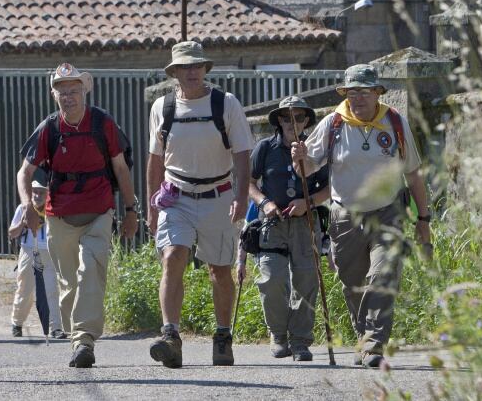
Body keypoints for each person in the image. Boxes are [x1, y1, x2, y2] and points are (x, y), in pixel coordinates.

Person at [291, 64, 432, 368]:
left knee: (382, 275)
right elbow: (308, 167)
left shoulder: (394, 122)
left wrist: (424, 218)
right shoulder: (333, 123)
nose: (357, 98)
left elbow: (414, 175)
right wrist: (299, 159)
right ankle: (364, 334)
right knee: (352, 282)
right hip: (345, 216)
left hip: (388, 212)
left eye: (364, 91)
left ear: (377, 92)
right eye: (351, 91)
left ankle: (374, 343)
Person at [17, 63, 137, 368]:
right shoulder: (50, 128)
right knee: (68, 282)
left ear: (84, 91)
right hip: (59, 215)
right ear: (54, 95)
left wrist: (131, 209)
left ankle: (84, 340)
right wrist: (29, 208)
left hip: (99, 210)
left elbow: (121, 168)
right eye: (62, 92)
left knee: (90, 273)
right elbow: (25, 172)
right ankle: (76, 337)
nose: (68, 97)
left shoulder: (102, 123)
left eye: (73, 91)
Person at [147, 41, 254, 368]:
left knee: (219, 270)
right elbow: (155, 160)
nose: (191, 72)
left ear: (205, 69)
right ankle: (171, 336)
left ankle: (222, 336)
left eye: (197, 66)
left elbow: (242, 153)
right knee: (173, 256)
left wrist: (241, 196)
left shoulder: (226, 104)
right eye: (185, 67)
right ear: (175, 72)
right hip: (175, 195)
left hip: (218, 195)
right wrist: (152, 209)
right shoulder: (162, 108)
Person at [238, 96, 329, 362]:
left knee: (306, 281)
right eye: (287, 118)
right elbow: (248, 183)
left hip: (305, 223)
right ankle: (278, 335)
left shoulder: (315, 150)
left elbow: (329, 188)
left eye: (299, 117)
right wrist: (264, 203)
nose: (293, 122)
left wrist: (307, 202)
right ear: (279, 120)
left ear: (306, 121)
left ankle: (300, 341)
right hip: (272, 224)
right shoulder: (265, 148)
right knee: (272, 279)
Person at [8, 180, 66, 340]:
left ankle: (55, 327)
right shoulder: (23, 209)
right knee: (24, 289)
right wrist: (23, 223)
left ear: (47, 194)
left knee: (51, 290)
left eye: (41, 192)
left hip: (48, 252)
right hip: (28, 250)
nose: (37, 195)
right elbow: (12, 233)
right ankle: (17, 323)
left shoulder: (51, 209)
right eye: (35, 191)